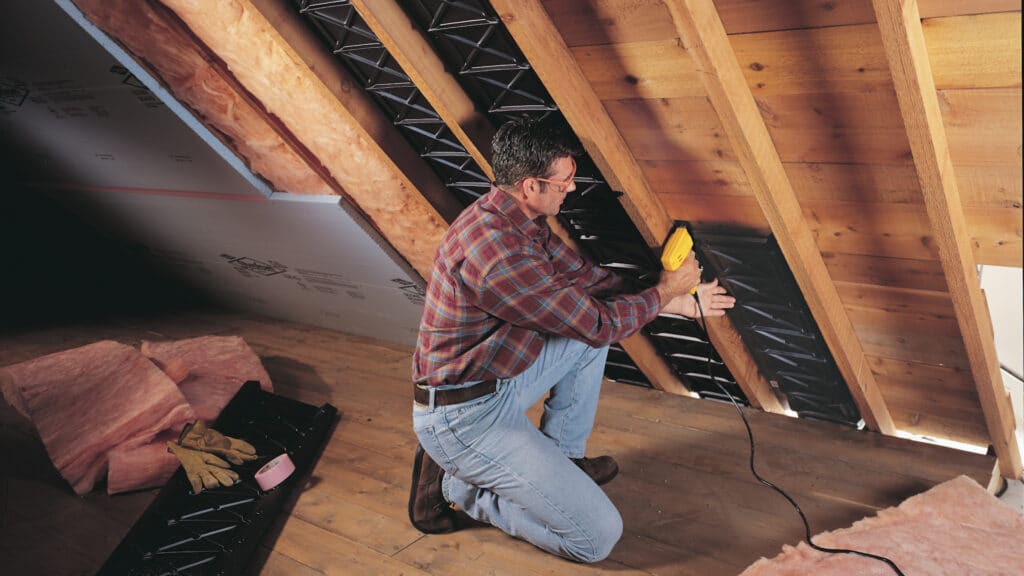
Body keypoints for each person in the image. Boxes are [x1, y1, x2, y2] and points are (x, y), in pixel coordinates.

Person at [408, 117, 735, 563]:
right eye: (564, 182)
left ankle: (563, 458)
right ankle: (459, 489)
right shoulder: (496, 254)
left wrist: (672, 301)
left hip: (495, 381)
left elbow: (587, 280)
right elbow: (598, 323)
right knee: (596, 538)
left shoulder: (518, 220)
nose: (573, 188)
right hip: (464, 419)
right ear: (529, 186)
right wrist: (665, 293)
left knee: (585, 341)